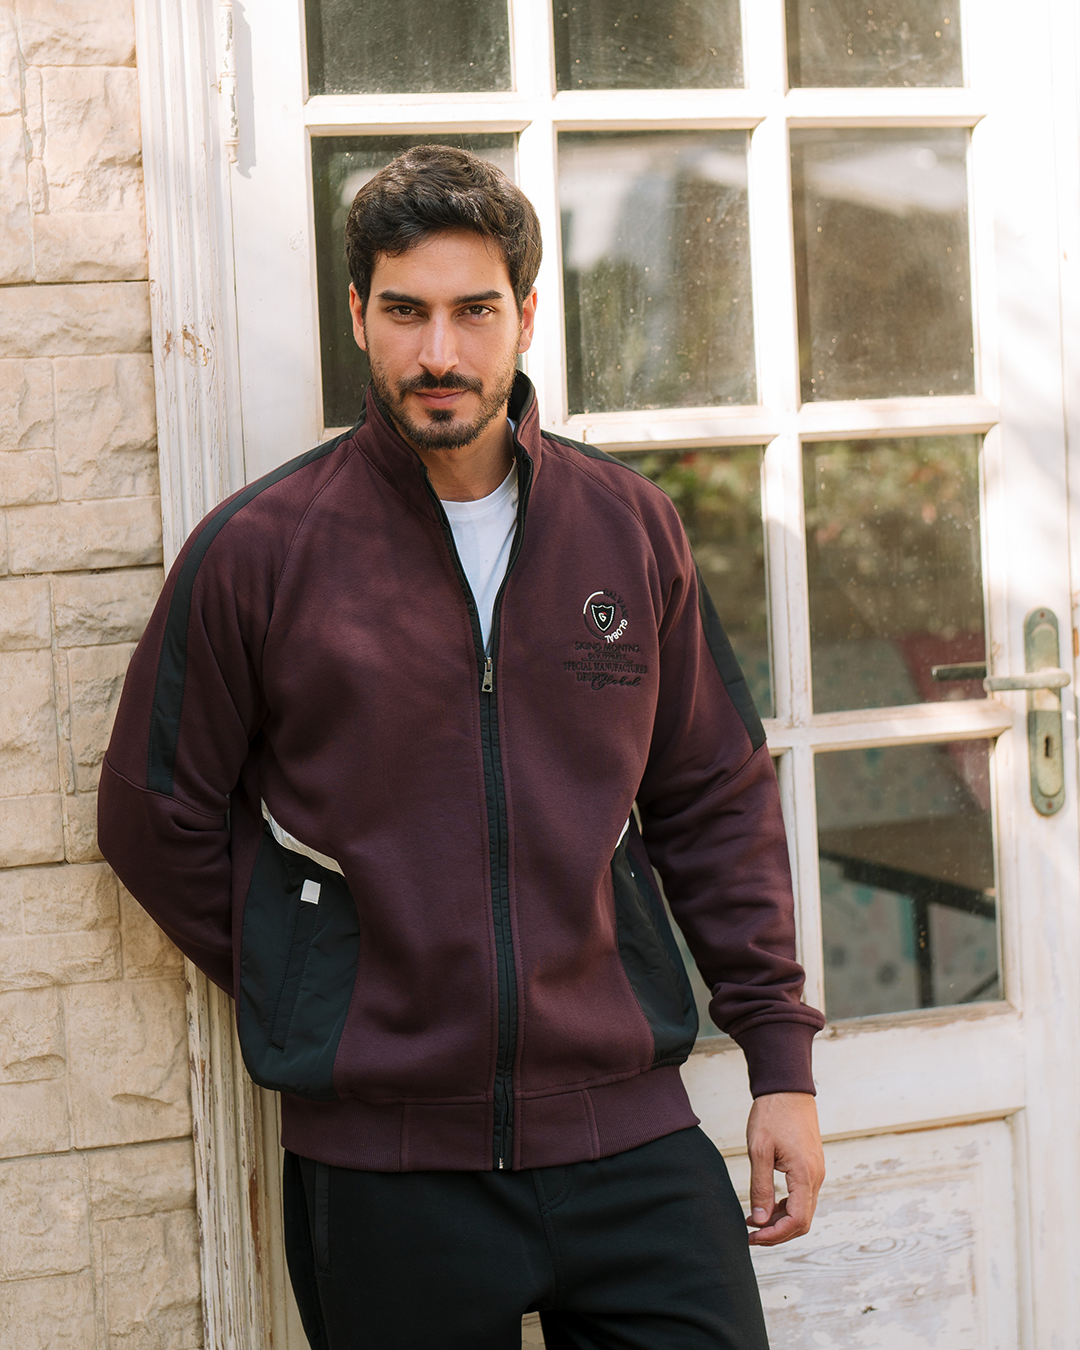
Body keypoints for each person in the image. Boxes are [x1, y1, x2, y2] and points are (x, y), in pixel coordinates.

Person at [99, 144, 825, 1350]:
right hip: (386, 1168)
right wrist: (320, 975)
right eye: (406, 312)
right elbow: (153, 814)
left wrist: (780, 1062)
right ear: (358, 316)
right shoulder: (261, 552)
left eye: (475, 311)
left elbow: (712, 799)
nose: (440, 351)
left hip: (629, 1140)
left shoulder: (628, 528)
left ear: (526, 317)